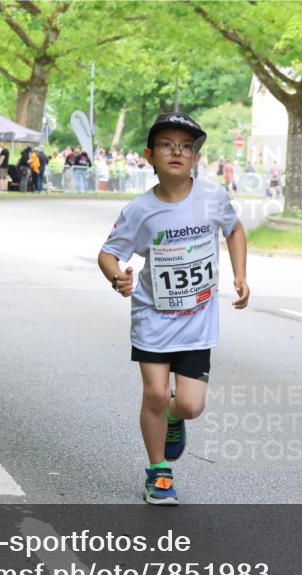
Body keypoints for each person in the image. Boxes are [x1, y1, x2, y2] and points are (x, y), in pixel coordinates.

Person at [97, 112, 250, 505]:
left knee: (189, 404)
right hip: (153, 317)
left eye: (186, 146)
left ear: (196, 158)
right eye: (166, 144)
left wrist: (240, 275)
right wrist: (119, 279)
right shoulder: (140, 210)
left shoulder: (213, 197)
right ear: (150, 155)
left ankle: (174, 420)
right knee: (155, 394)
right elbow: (108, 254)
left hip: (196, 320)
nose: (177, 152)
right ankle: (158, 471)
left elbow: (234, 230)